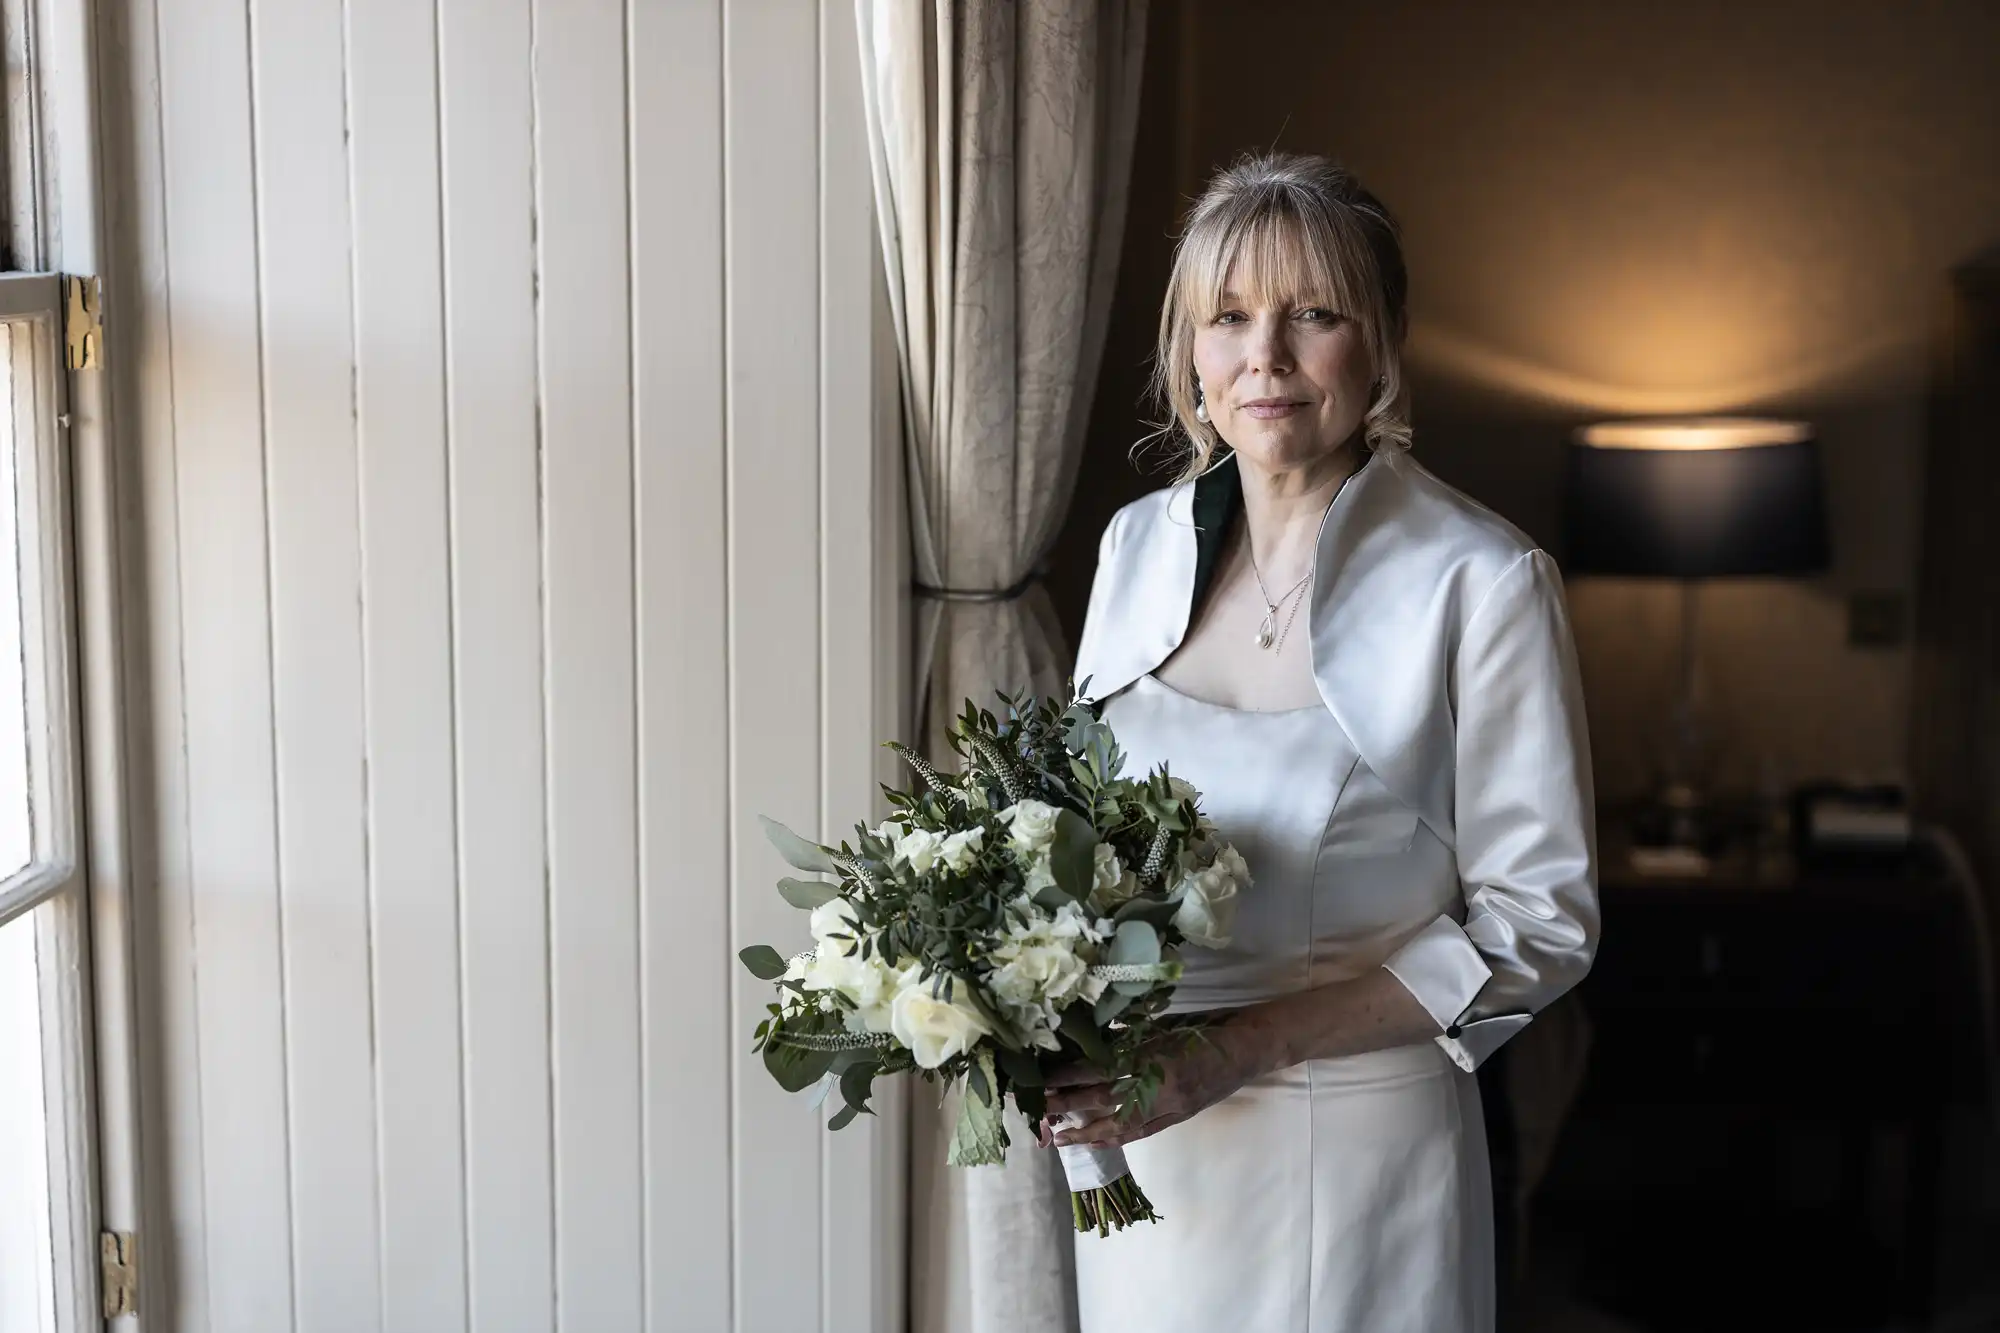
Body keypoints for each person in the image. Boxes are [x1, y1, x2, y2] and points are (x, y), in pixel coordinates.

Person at [1042, 151, 1599, 1332]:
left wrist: (1238, 1049)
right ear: (1189, 350)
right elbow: (1072, 835)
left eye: (1313, 314)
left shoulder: (1481, 580)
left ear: (1383, 340)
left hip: (1353, 1159)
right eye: (1229, 318)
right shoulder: (1133, 547)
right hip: (1152, 1158)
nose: (1265, 358)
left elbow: (1538, 922)